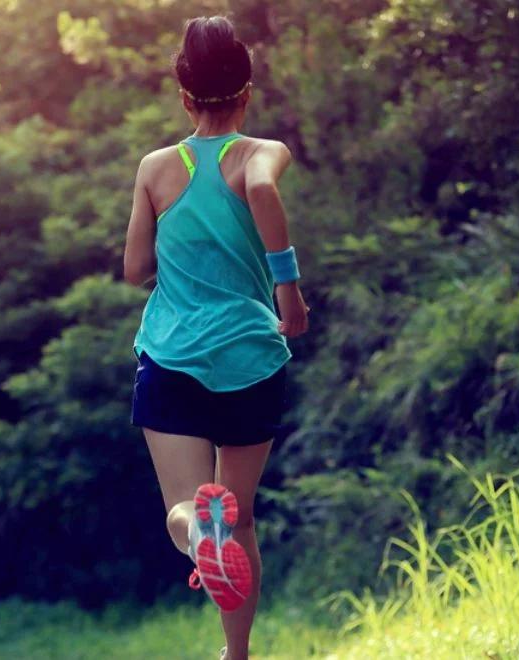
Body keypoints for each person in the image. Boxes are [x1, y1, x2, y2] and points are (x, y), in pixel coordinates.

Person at [121, 14, 309, 660]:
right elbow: (259, 188)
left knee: (186, 508)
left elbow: (134, 269)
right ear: (247, 90)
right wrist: (287, 289)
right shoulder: (262, 154)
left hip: (172, 358)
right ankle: (236, 655)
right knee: (242, 514)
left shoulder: (154, 168)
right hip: (251, 360)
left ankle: (199, 535)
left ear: (183, 94)